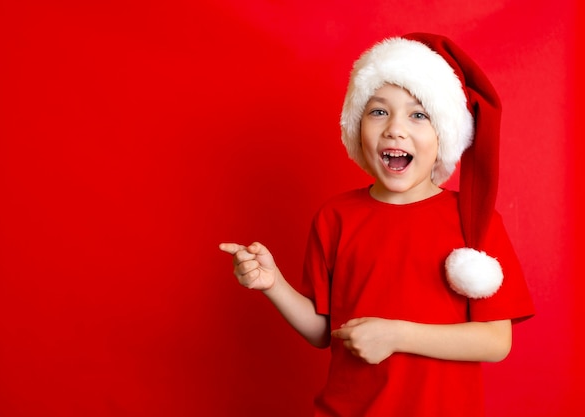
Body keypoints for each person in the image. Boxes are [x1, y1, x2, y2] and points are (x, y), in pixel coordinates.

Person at [219, 32, 534, 417]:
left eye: (418, 115)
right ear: (357, 128)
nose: (395, 129)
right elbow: (324, 332)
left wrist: (398, 336)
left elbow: (495, 341)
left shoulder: (473, 221)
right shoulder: (336, 217)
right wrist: (274, 284)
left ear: (444, 136)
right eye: (379, 111)